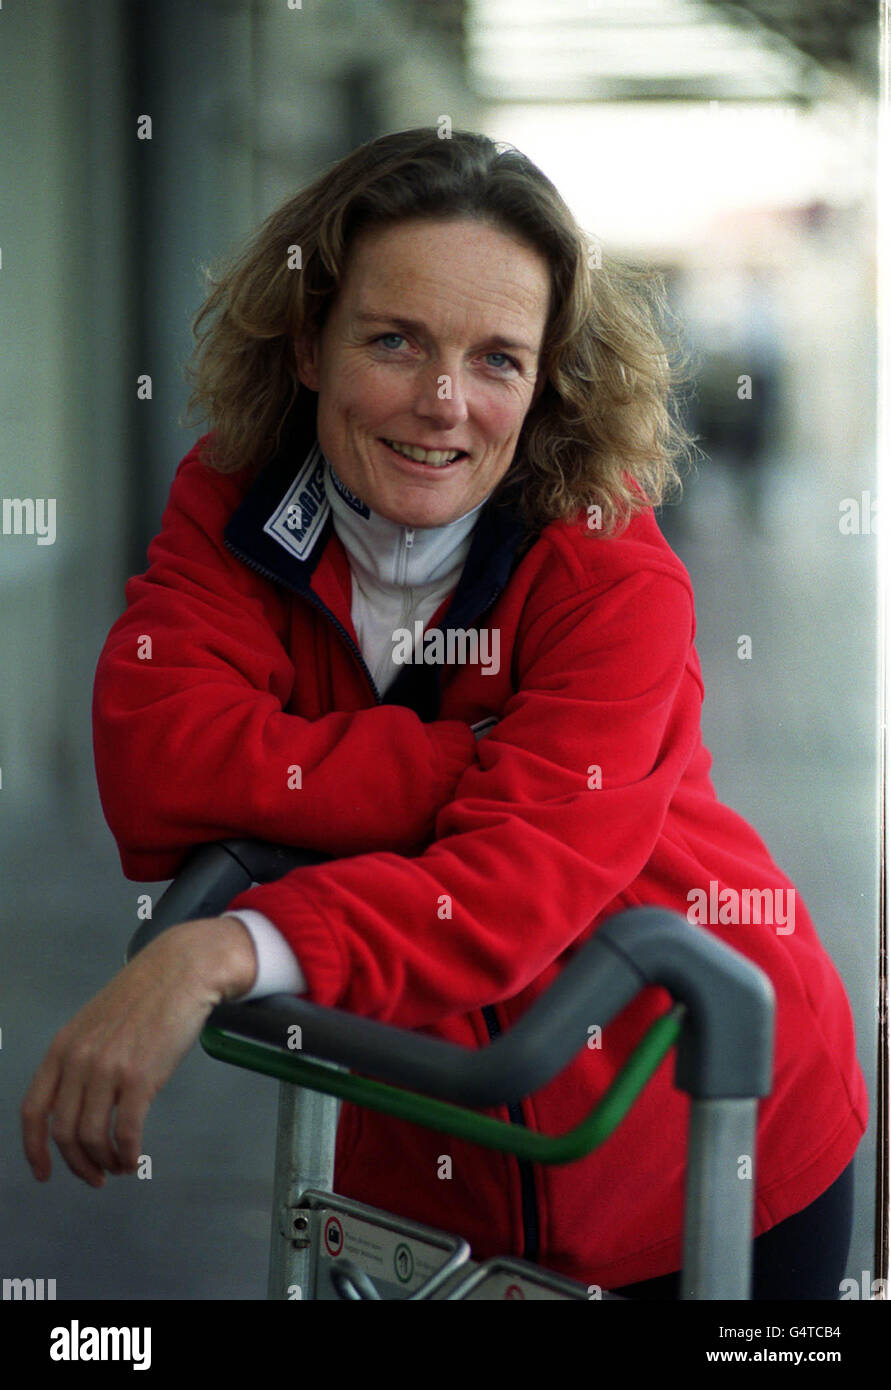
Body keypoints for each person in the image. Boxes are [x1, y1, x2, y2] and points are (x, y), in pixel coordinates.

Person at [21, 127, 867, 1299]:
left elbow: (508, 883)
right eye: (395, 340)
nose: (442, 403)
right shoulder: (234, 503)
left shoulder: (611, 575)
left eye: (497, 360)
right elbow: (154, 757)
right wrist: (460, 768)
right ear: (311, 341)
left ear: (547, 377)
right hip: (428, 1149)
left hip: (707, 1144)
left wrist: (222, 948)